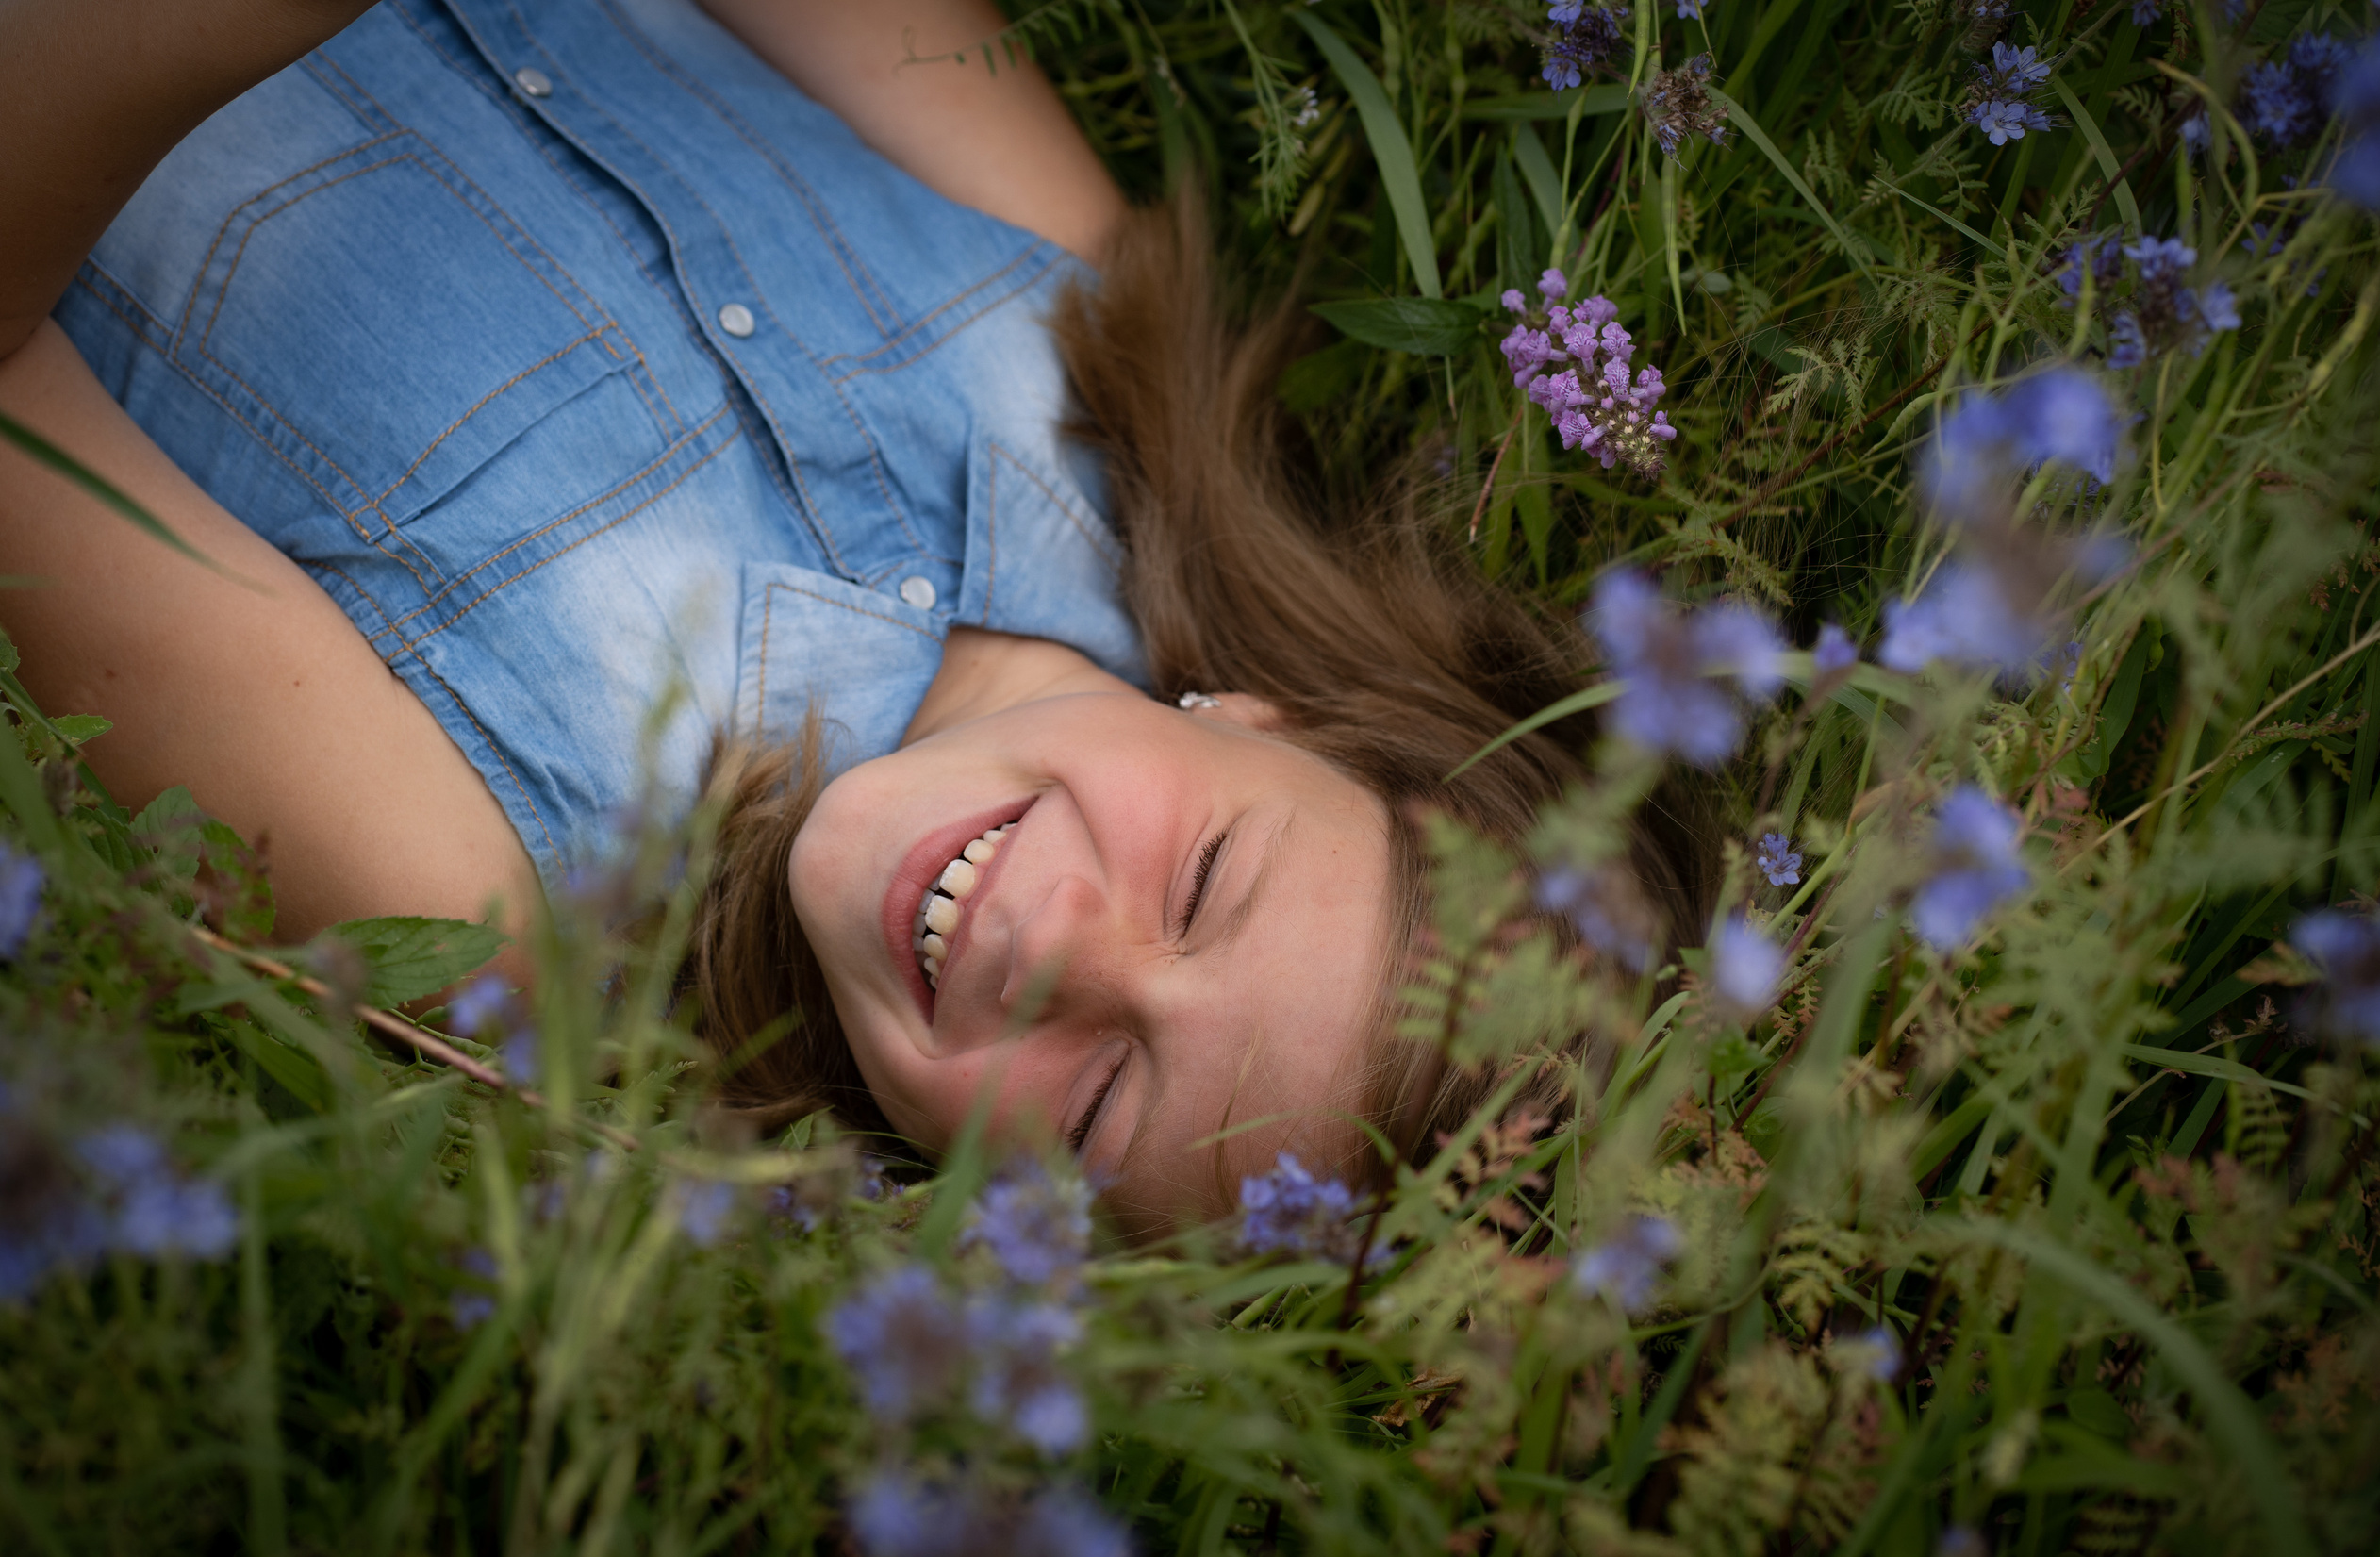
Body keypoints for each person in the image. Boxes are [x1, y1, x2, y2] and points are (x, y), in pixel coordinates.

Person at [0, 0, 1706, 1233]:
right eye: (1204, 884)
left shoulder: (499, 910)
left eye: (1107, 1106)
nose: (1058, 949)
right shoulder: (1091, 327)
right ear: (1276, 724)